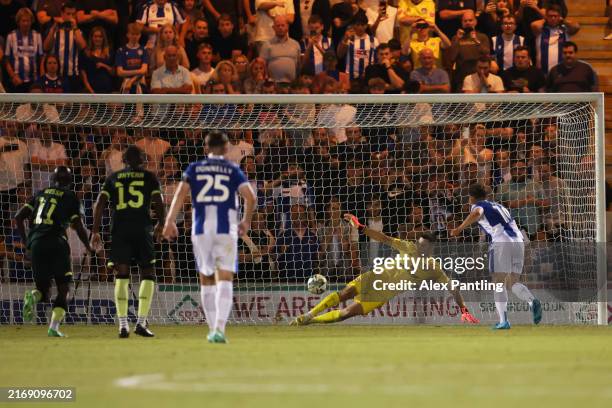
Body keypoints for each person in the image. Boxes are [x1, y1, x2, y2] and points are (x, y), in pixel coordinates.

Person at [291, 214, 480, 325]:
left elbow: (452, 288)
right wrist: (361, 227)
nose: (419, 247)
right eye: (418, 244)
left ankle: (312, 321)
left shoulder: (433, 268)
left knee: (346, 313)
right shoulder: (408, 247)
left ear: (430, 249)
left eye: (423, 246)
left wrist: (463, 309)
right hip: (375, 277)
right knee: (343, 294)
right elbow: (382, 238)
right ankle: (309, 314)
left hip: (381, 294)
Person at [163, 131, 256, 344]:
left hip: (201, 229)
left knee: (206, 278)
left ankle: (211, 328)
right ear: (226, 149)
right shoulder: (232, 169)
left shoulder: (195, 168)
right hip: (226, 229)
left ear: (206, 148)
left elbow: (180, 194)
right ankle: (219, 330)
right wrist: (246, 221)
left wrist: (169, 221)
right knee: (225, 277)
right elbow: (250, 196)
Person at [91, 145, 166, 338]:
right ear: (142, 160)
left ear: (123, 160)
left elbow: (100, 204)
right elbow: (159, 202)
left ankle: (123, 324)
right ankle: (141, 322)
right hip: (142, 230)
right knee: (148, 273)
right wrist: (161, 224)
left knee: (121, 274)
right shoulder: (150, 177)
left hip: (120, 231)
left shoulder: (113, 178)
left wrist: (95, 231)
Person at [450, 182, 542, 329]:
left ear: (471, 198)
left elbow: (476, 213)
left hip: (501, 242)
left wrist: (459, 229)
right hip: (518, 241)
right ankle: (532, 300)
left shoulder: (478, 206)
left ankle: (503, 321)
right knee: (512, 282)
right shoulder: (499, 206)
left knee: (498, 283)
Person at [17, 166, 93, 337]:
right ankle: (54, 327)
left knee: (43, 290)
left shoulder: (40, 193)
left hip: (36, 243)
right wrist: (87, 246)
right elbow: (78, 226)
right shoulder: (70, 196)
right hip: (57, 242)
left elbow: (18, 217)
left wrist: (27, 243)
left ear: (53, 179)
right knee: (63, 288)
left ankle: (32, 296)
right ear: (70, 181)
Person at [43, 1, 87, 92]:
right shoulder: (54, 30)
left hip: (73, 75)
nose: (70, 17)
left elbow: (82, 46)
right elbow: (46, 47)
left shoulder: (77, 31)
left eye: (73, 14)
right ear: (62, 14)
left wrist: (75, 27)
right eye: (68, 14)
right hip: (56, 75)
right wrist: (53, 27)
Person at [447, 9, 490, 92]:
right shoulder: (456, 38)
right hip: (461, 75)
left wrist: (476, 41)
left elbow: (487, 54)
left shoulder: (482, 37)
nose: (468, 22)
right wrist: (457, 40)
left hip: (480, 75)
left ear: (475, 22)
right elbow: (452, 57)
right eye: (465, 21)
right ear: (462, 23)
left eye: (470, 20)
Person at [531, 5, 579, 73]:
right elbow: (534, 25)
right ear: (546, 16)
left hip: (562, 72)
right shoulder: (541, 30)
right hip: (543, 72)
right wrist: (545, 18)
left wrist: (563, 20)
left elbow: (576, 27)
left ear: (559, 17)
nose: (553, 18)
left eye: (555, 16)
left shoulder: (565, 30)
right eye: (550, 16)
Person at [5, 7, 44, 92]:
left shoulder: (37, 36)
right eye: (23, 21)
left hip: (34, 81)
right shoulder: (11, 36)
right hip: (16, 80)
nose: (26, 23)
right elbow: (6, 60)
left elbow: (41, 58)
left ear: (31, 21)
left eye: (28, 21)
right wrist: (13, 76)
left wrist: (41, 78)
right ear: (18, 22)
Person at [260, 15, 301, 83]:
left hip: (291, 84)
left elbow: (299, 66)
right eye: (278, 26)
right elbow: (261, 66)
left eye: (283, 25)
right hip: (273, 86)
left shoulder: (295, 44)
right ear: (273, 28)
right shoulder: (267, 45)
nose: (280, 28)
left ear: (287, 27)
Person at [337, 12, 378, 81]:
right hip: (350, 78)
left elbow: (377, 61)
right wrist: (345, 39)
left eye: (362, 25)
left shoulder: (374, 41)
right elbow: (339, 55)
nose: (360, 27)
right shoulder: (348, 38)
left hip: (368, 78)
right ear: (354, 25)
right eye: (358, 24)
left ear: (366, 25)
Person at [116, 23, 149, 94]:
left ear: (140, 35)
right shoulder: (121, 50)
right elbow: (120, 72)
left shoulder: (144, 50)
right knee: (127, 105)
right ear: (127, 35)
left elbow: (144, 70)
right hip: (126, 84)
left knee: (140, 104)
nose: (135, 37)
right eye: (132, 34)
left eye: (137, 34)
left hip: (140, 83)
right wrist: (139, 71)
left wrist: (131, 80)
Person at [80, 26, 114, 94]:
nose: (97, 39)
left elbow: (113, 72)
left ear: (103, 38)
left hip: (107, 90)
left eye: (100, 36)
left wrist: (104, 65)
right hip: (91, 91)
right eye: (95, 36)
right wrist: (90, 90)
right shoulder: (85, 53)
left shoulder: (109, 52)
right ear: (92, 38)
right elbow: (83, 74)